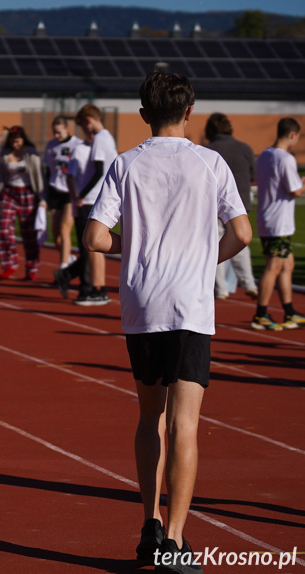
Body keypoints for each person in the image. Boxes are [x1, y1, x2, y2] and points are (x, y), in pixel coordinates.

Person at [85, 70, 251, 573]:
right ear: (190, 111)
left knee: (148, 418)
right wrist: (205, 260)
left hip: (142, 303)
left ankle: (150, 522)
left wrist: (131, 247)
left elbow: (94, 238)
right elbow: (242, 233)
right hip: (190, 306)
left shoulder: (126, 164)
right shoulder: (210, 162)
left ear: (142, 115)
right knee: (185, 425)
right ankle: (175, 539)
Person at [53, 105, 118, 305]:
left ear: (89, 121)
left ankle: (95, 288)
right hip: (100, 198)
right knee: (93, 247)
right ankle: (93, 287)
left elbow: (98, 171)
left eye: (83, 126)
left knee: (92, 247)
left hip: (93, 200)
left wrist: (79, 196)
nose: (84, 132)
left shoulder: (100, 139)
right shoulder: (107, 138)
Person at [252, 117, 305, 331]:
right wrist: (302, 183)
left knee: (287, 264)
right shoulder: (285, 158)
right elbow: (294, 190)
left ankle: (290, 311)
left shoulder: (265, 155)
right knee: (273, 266)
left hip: (268, 217)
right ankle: (260, 314)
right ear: (292, 135)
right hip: (278, 221)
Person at [204, 113, 259, 300]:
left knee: (217, 244)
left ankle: (221, 289)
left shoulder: (208, 152)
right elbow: (253, 174)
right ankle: (249, 282)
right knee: (241, 242)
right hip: (241, 200)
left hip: (215, 204)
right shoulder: (245, 148)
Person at [0, 126, 43, 280]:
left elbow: (39, 176)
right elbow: (0, 178)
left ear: (23, 140)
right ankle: (9, 264)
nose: (15, 144)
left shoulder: (31, 153)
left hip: (28, 194)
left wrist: (42, 198)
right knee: (3, 230)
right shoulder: (4, 153)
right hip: (9, 194)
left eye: (17, 141)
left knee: (29, 234)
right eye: (12, 141)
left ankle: (32, 267)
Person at [43, 116, 82, 268]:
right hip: (55, 190)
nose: (56, 136)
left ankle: (63, 266)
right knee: (56, 237)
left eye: (59, 132)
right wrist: (45, 195)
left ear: (67, 129)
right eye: (54, 132)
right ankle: (70, 258)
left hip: (70, 191)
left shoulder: (77, 145)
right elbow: (48, 170)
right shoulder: (51, 145)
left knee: (64, 228)